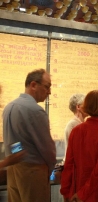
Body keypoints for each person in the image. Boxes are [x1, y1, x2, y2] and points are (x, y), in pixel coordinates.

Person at [2, 68, 56, 202]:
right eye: (47, 87)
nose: (49, 92)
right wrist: (51, 169)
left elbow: (14, 142)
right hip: (33, 171)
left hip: (14, 169)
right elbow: (46, 147)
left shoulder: (9, 107)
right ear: (33, 85)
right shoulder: (35, 110)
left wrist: (21, 156)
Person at [60, 90, 98, 202]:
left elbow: (69, 165)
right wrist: (83, 193)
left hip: (78, 190)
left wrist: (66, 191)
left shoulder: (76, 131)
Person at [62, 93, 87, 164]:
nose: (89, 107)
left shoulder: (80, 123)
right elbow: (77, 150)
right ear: (78, 107)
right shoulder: (73, 124)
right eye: (86, 105)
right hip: (74, 166)